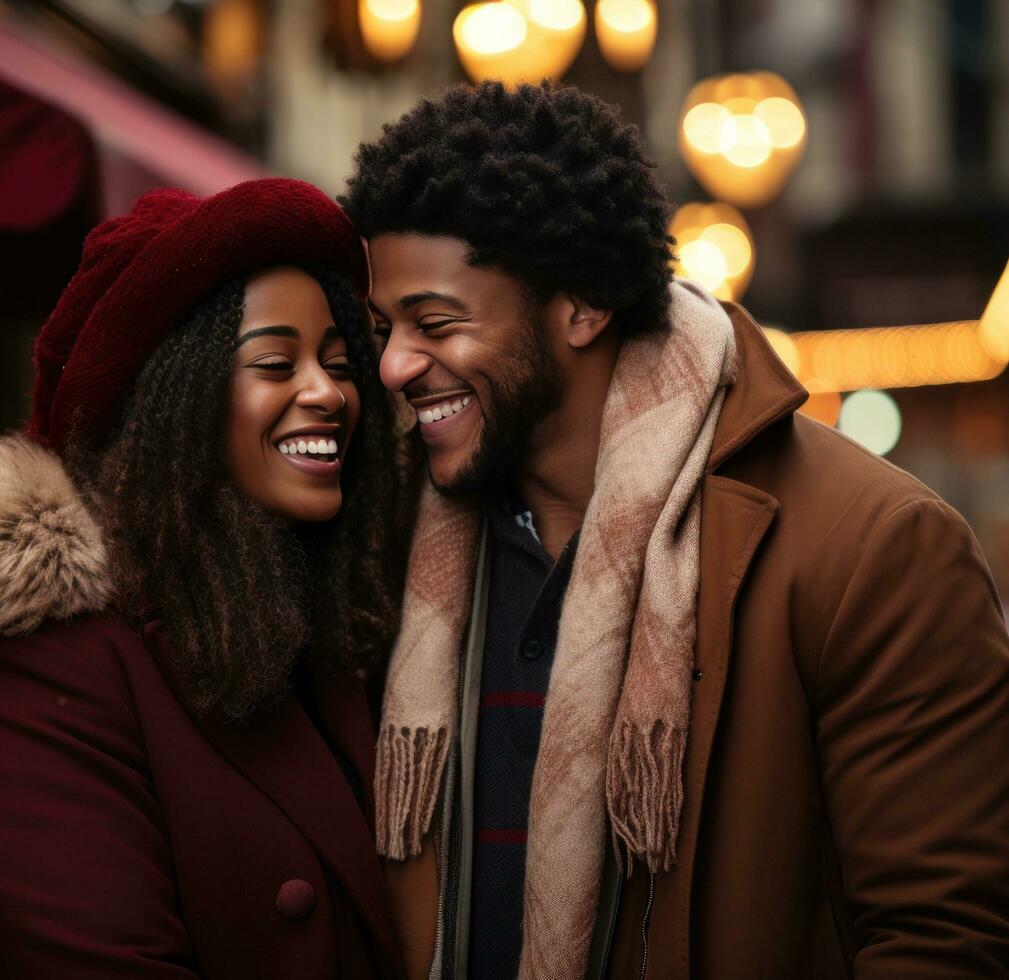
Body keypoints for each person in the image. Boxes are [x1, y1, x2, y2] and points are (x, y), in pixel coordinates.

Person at [341, 82, 1009, 979]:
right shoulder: (384, 545)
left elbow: (942, 941)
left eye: (435, 322)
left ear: (580, 305)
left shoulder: (872, 547)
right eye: (385, 328)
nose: (391, 366)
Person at [0, 178, 415, 979]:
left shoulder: (346, 615)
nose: (327, 392)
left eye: (339, 362)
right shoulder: (43, 667)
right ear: (172, 403)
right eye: (275, 362)